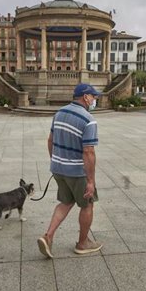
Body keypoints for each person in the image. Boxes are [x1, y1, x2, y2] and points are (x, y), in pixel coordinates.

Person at [37, 83, 103, 259]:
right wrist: (90, 181)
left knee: (66, 202)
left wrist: (55, 161)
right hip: (76, 171)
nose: (95, 100)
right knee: (87, 204)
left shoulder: (59, 113)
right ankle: (83, 243)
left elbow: (50, 140)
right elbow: (88, 152)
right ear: (85, 97)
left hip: (58, 168)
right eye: (94, 97)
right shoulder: (88, 119)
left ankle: (48, 236)